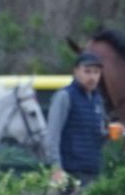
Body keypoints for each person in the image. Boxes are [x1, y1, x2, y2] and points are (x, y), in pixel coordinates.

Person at [45, 52, 110, 185]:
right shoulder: (65, 96)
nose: (92, 77)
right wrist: (56, 167)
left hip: (92, 170)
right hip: (69, 172)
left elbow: (97, 134)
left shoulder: (97, 99)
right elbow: (52, 135)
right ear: (76, 71)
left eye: (96, 72)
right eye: (87, 72)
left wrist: (111, 134)